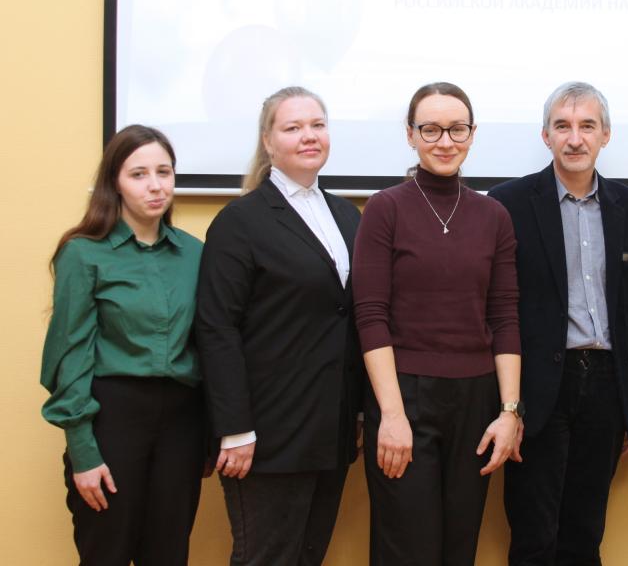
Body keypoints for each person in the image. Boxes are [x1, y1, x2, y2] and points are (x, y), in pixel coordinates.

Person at [352, 81, 522, 566]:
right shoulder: (385, 208)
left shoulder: (494, 215)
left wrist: (509, 412)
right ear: (410, 135)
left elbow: (504, 317)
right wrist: (392, 415)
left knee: (458, 548)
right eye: (430, 129)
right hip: (405, 397)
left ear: (472, 134)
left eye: (457, 129)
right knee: (407, 549)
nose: (445, 141)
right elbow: (370, 316)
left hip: (476, 402)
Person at [488, 81, 628, 565]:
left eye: (587, 126)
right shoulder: (508, 203)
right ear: (546, 136)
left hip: (605, 387)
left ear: (606, 135)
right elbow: (497, 308)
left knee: (585, 534)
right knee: (534, 533)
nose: (575, 138)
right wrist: (509, 404)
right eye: (563, 126)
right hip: (538, 387)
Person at [196, 86, 363, 565]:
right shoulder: (240, 221)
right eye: (293, 127)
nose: (309, 136)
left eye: (317, 125)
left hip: (330, 429)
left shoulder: (346, 216)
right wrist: (234, 429)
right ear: (268, 142)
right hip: (266, 433)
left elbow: (351, 319)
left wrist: (356, 412)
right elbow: (216, 327)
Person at [41, 125, 205, 565]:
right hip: (112, 418)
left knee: (169, 553)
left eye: (164, 172)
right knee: (106, 551)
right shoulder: (83, 253)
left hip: (182, 424)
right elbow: (70, 356)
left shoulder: (194, 254)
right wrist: (83, 452)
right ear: (114, 182)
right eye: (138, 174)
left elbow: (209, 344)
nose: (155, 185)